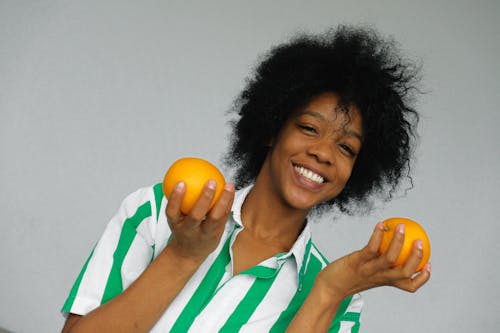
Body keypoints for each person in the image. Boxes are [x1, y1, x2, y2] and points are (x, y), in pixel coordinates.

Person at [61, 25, 431, 332]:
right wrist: (182, 257)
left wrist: (328, 291)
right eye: (308, 128)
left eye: (347, 148)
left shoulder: (341, 300)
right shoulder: (159, 210)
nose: (324, 153)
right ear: (272, 129)